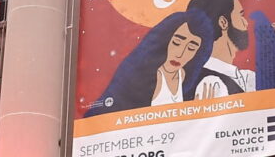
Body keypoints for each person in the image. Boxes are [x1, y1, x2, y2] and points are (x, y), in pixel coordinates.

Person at [84, 10, 215, 117]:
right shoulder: (140, 76)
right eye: (176, 43)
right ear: (166, 40)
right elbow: (100, 118)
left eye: (191, 48)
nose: (180, 54)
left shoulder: (191, 80)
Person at [187, 0, 275, 97]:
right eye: (241, 15)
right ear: (223, 22)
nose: (246, 23)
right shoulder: (210, 83)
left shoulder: (246, 77)